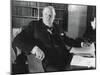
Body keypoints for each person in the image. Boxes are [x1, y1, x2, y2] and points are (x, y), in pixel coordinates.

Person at [12, 6, 83, 72]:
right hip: (48, 62)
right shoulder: (34, 25)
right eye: (46, 14)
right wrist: (34, 49)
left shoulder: (57, 27)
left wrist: (80, 44)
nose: (48, 17)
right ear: (42, 14)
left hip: (65, 57)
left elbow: (66, 39)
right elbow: (18, 40)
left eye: (50, 15)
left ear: (54, 17)